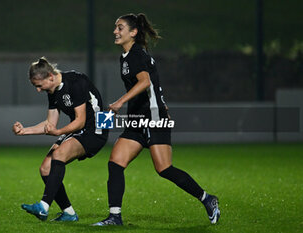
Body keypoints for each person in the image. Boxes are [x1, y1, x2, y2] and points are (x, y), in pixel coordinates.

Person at [93, 13, 220, 226]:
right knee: (116, 163)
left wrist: (119, 102)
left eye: (120, 27)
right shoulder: (127, 56)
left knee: (164, 169)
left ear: (133, 32)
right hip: (138, 117)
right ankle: (115, 217)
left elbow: (145, 82)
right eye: (115, 27)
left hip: (152, 118)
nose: (115, 31)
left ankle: (208, 199)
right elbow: (153, 85)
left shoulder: (136, 54)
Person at [12, 57, 108, 221]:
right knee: (45, 168)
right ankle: (69, 213)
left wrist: (58, 132)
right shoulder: (53, 91)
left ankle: (43, 206)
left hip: (97, 128)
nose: (38, 90)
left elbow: (80, 120)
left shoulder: (76, 81)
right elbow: (50, 124)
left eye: (39, 86)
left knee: (59, 155)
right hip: (80, 129)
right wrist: (24, 131)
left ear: (50, 76)